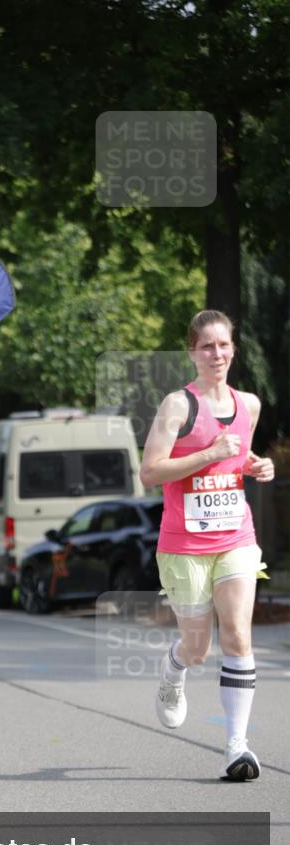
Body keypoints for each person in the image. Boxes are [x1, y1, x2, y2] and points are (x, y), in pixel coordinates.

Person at [141, 310, 275, 781]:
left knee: (238, 632)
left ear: (233, 350)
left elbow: (236, 459)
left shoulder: (249, 405)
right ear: (192, 353)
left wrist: (257, 467)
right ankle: (175, 668)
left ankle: (236, 747)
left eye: (223, 345)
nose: (216, 354)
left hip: (236, 535)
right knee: (198, 647)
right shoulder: (178, 405)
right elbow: (151, 472)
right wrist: (207, 455)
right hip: (184, 543)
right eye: (207, 347)